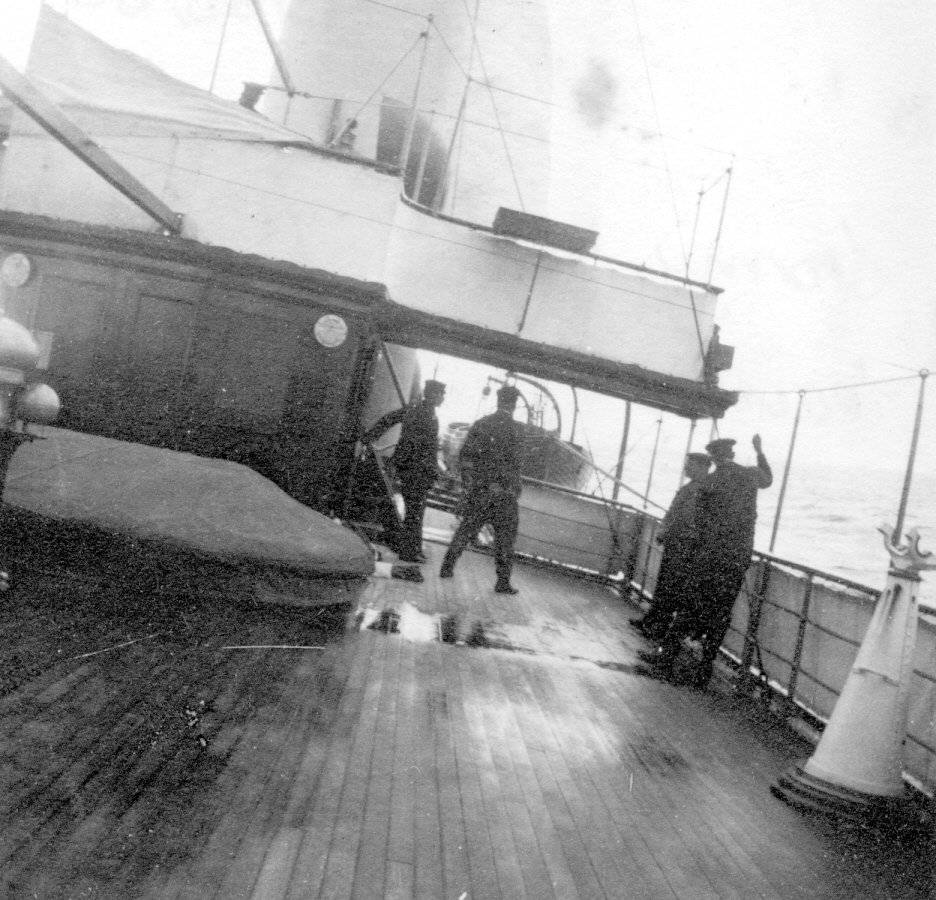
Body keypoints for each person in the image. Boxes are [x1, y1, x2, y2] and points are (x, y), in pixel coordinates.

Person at [640, 434, 772, 687]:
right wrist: (759, 451)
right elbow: (768, 479)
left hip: (709, 556)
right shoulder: (749, 475)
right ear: (732, 455)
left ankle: (665, 659)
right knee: (721, 613)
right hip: (737, 558)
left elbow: (699, 523)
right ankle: (704, 670)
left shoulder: (708, 483)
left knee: (689, 605)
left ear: (713, 458)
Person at [439, 384, 524, 594]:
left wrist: (471, 484)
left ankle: (446, 567)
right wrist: (513, 488)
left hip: (481, 490)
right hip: (505, 494)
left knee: (466, 529)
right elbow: (517, 464)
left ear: (498, 401)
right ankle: (503, 582)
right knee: (505, 540)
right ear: (514, 404)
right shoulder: (517, 430)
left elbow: (466, 456)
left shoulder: (482, 423)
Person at [360, 379, 446, 563]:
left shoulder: (426, 412)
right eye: (441, 394)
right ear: (432, 394)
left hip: (419, 470)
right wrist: (367, 439)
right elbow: (391, 422)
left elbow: (428, 446)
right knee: (415, 512)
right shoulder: (419, 410)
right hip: (414, 469)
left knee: (416, 511)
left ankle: (413, 549)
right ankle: (409, 552)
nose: (443, 398)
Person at [631, 452, 712, 641]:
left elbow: (690, 520)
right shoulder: (690, 487)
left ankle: (658, 627)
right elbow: (675, 512)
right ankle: (651, 620)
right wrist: (664, 530)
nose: (686, 468)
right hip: (675, 543)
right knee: (664, 585)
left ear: (702, 467)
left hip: (685, 547)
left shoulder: (703, 490)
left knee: (671, 588)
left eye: (690, 464)